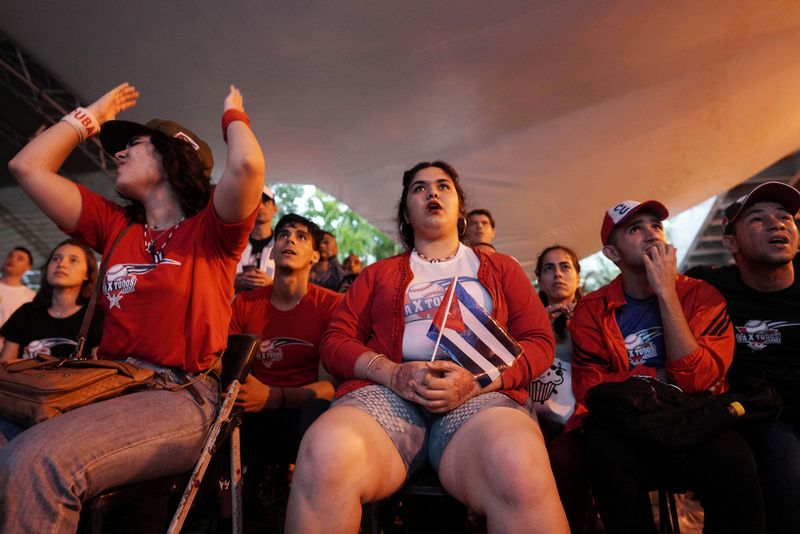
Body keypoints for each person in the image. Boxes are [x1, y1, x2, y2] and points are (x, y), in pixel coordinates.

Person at [2, 81, 264, 533]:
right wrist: (91, 116)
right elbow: (27, 166)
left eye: (133, 145)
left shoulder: (212, 231)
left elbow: (245, 163)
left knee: (39, 461)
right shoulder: (117, 226)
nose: (116, 154)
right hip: (104, 383)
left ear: (172, 156)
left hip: (180, 394)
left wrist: (232, 116)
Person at [286, 160, 568, 534]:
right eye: (419, 188)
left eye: (443, 186)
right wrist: (392, 372)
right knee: (324, 452)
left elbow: (539, 342)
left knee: (517, 461)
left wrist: (476, 382)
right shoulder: (377, 274)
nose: (432, 192)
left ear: (460, 207)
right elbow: (335, 341)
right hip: (388, 395)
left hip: (480, 399)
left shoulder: (502, 269)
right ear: (406, 210)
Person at [569, 199, 764, 533]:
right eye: (635, 229)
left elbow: (697, 381)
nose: (651, 234)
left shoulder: (702, 296)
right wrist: (659, 378)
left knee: (733, 455)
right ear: (612, 255)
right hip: (630, 427)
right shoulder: (591, 310)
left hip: (695, 421)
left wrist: (666, 292)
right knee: (601, 450)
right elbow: (592, 387)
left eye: (656, 226)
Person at [687, 181, 800, 532]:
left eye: (785, 217)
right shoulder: (708, 289)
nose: (777, 224)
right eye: (757, 218)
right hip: (760, 418)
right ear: (730, 242)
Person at [229, 213, 341, 467]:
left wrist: (274, 395)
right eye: (283, 235)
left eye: (301, 237)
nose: (290, 240)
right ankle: (226, 501)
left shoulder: (332, 305)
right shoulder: (245, 303)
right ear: (272, 252)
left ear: (315, 255)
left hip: (304, 412)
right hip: (252, 409)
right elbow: (231, 370)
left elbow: (329, 387)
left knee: (319, 413)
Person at [529, 245, 591, 533]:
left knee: (563, 459)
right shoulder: (527, 318)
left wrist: (580, 328)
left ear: (578, 276)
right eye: (549, 268)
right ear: (539, 278)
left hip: (579, 417)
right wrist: (540, 326)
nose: (557, 274)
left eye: (565, 267)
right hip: (532, 413)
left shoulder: (594, 315)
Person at [0, 239, 102, 361]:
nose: (61, 264)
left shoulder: (96, 316)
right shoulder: (26, 313)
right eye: (56, 259)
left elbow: (100, 368)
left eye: (73, 260)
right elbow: (5, 364)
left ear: (87, 273)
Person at [234, 184, 278, 292]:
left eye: (265, 202)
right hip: (236, 305)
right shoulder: (235, 242)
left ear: (275, 208)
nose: (260, 207)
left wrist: (272, 285)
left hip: (268, 306)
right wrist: (233, 283)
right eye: (255, 202)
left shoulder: (282, 245)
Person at [0, 246, 36, 348]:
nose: (12, 259)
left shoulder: (32, 297)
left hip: (8, 356)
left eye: (20, 258)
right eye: (10, 256)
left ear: (28, 267)